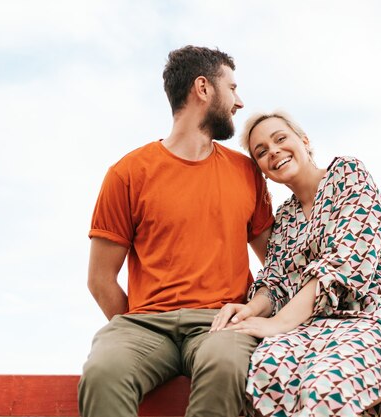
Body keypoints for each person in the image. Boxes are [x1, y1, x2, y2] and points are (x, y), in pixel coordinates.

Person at [78, 46, 274, 417]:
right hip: (146, 326)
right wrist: (140, 325)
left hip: (221, 324)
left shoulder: (246, 173)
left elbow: (276, 266)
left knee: (226, 367)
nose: (240, 101)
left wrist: (252, 312)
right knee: (104, 371)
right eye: (232, 88)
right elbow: (100, 278)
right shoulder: (128, 173)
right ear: (203, 88)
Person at [212, 111, 381, 417]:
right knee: (265, 369)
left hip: (378, 314)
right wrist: (249, 311)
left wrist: (280, 323)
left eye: (280, 138)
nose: (273, 151)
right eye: (261, 152)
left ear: (304, 141)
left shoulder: (348, 174)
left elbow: (346, 262)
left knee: (323, 388)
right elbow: (275, 282)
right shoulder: (284, 219)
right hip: (317, 327)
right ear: (262, 170)